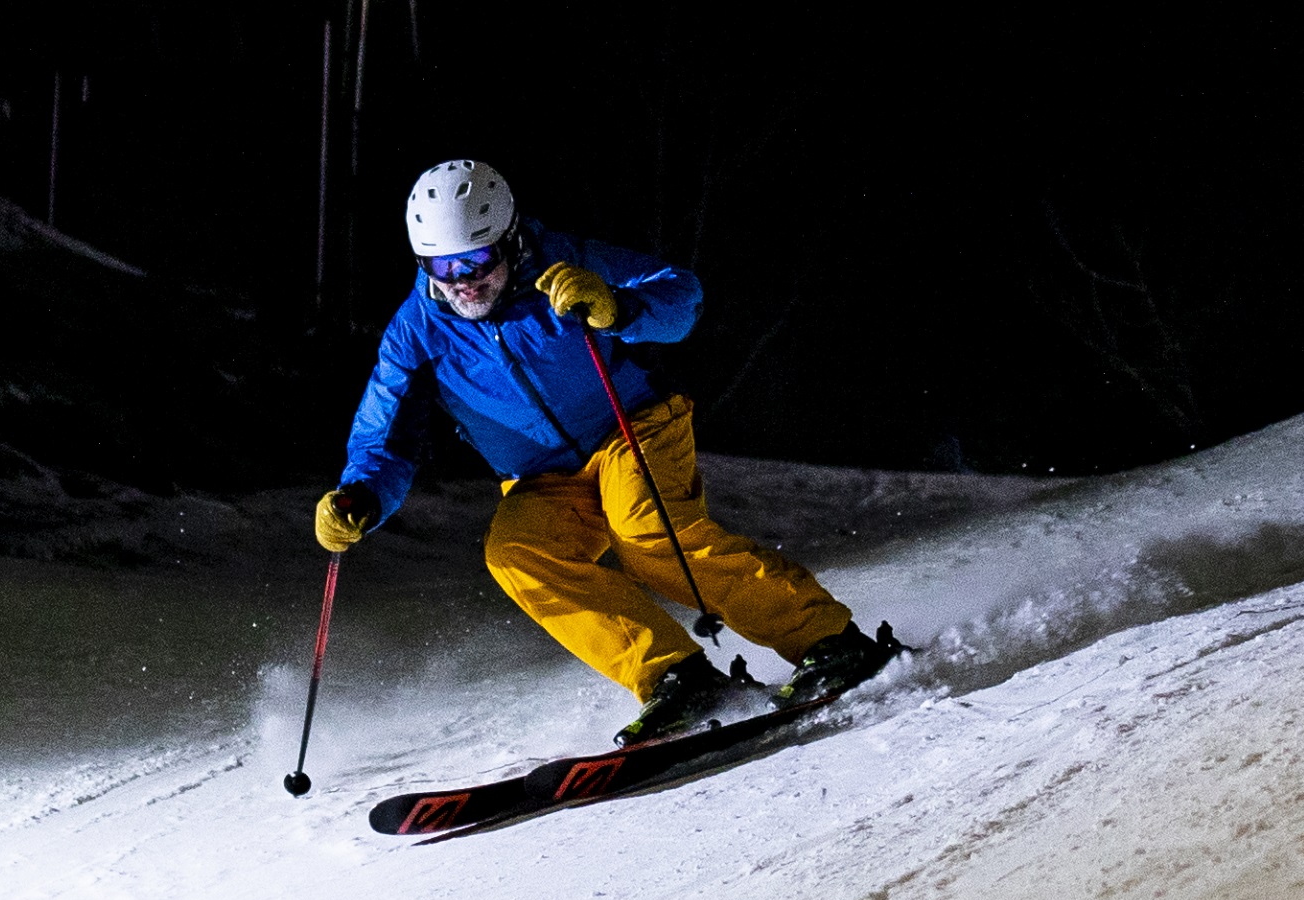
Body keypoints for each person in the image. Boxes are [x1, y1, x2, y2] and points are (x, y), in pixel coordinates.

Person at [316, 159, 890, 742]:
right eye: (443, 265)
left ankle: (827, 641)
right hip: (541, 477)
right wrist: (361, 494)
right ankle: (679, 678)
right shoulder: (415, 333)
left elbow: (681, 295)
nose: (463, 280)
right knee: (516, 553)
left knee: (645, 532)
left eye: (478, 259)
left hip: (632, 426)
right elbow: (385, 433)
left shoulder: (567, 262)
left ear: (510, 239)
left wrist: (618, 307)